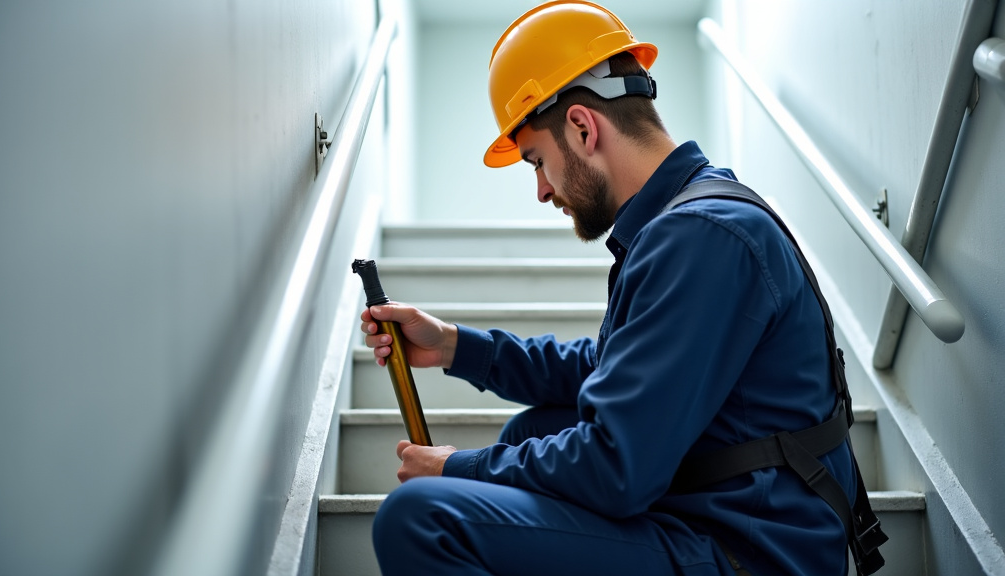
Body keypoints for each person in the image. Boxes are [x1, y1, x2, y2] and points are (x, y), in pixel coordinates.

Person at [360, 2, 880, 574]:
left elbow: (617, 467)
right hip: (720, 516)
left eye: (537, 161)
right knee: (539, 426)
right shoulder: (685, 222)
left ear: (583, 128)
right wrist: (456, 345)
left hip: (752, 550)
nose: (541, 190)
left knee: (419, 515)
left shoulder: (702, 237)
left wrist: (459, 468)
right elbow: (614, 368)